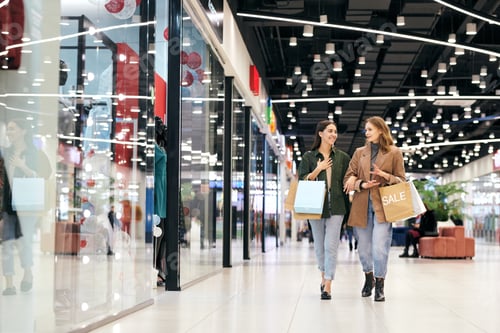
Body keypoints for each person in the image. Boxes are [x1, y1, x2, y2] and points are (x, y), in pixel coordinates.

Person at [343, 116, 405, 302]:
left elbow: (401, 180)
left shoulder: (394, 152)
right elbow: (348, 179)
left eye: (370, 129)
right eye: (366, 129)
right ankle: (368, 277)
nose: (366, 132)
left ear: (380, 130)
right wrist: (361, 184)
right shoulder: (359, 152)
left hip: (383, 206)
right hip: (361, 204)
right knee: (363, 249)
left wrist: (384, 175)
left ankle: (380, 284)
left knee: (380, 247)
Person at [297, 120, 351, 300]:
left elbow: (348, 178)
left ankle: (328, 283)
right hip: (314, 206)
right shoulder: (309, 157)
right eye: (330, 131)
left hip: (337, 206)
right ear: (320, 134)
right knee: (319, 247)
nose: (333, 134)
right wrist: (317, 170)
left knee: (331, 246)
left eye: (335, 132)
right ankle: (323, 276)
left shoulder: (342, 157)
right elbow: (301, 181)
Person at [1, 118, 51, 295]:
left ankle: (27, 273)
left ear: (23, 131)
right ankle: (8, 283)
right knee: (6, 243)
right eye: (8, 129)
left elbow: (46, 174)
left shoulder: (34, 154)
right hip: (8, 206)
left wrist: (25, 167)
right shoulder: (5, 153)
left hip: (27, 205)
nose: (9, 132)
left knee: (24, 242)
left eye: (13, 129)